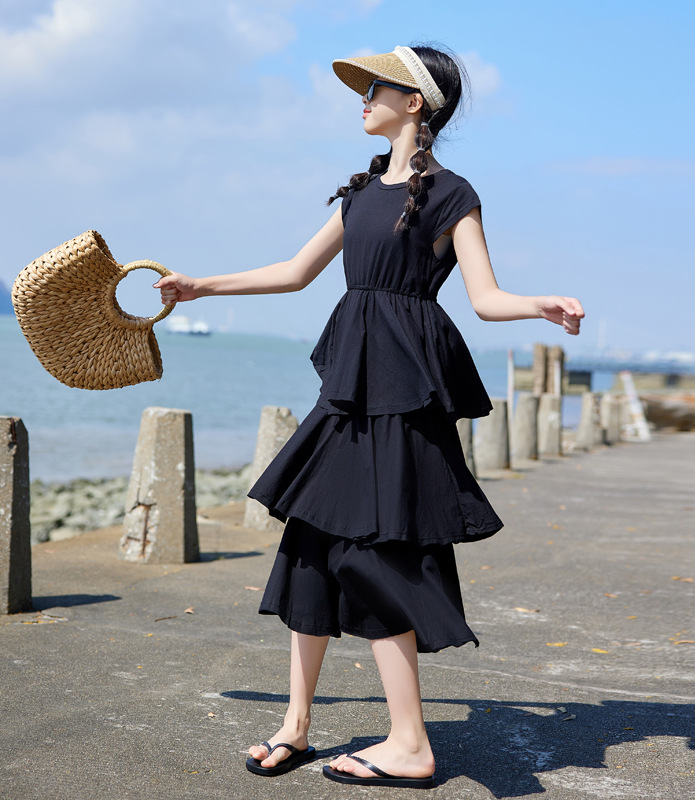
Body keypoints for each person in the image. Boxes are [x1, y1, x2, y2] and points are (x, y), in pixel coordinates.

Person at [156, 44, 584, 789]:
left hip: (404, 385)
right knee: (313, 544)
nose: (363, 97)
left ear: (415, 103)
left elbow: (484, 296)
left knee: (377, 553)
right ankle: (296, 726)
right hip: (350, 385)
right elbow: (293, 273)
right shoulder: (359, 194)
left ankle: (411, 744)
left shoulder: (453, 194)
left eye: (377, 87)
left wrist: (538, 304)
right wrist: (201, 286)